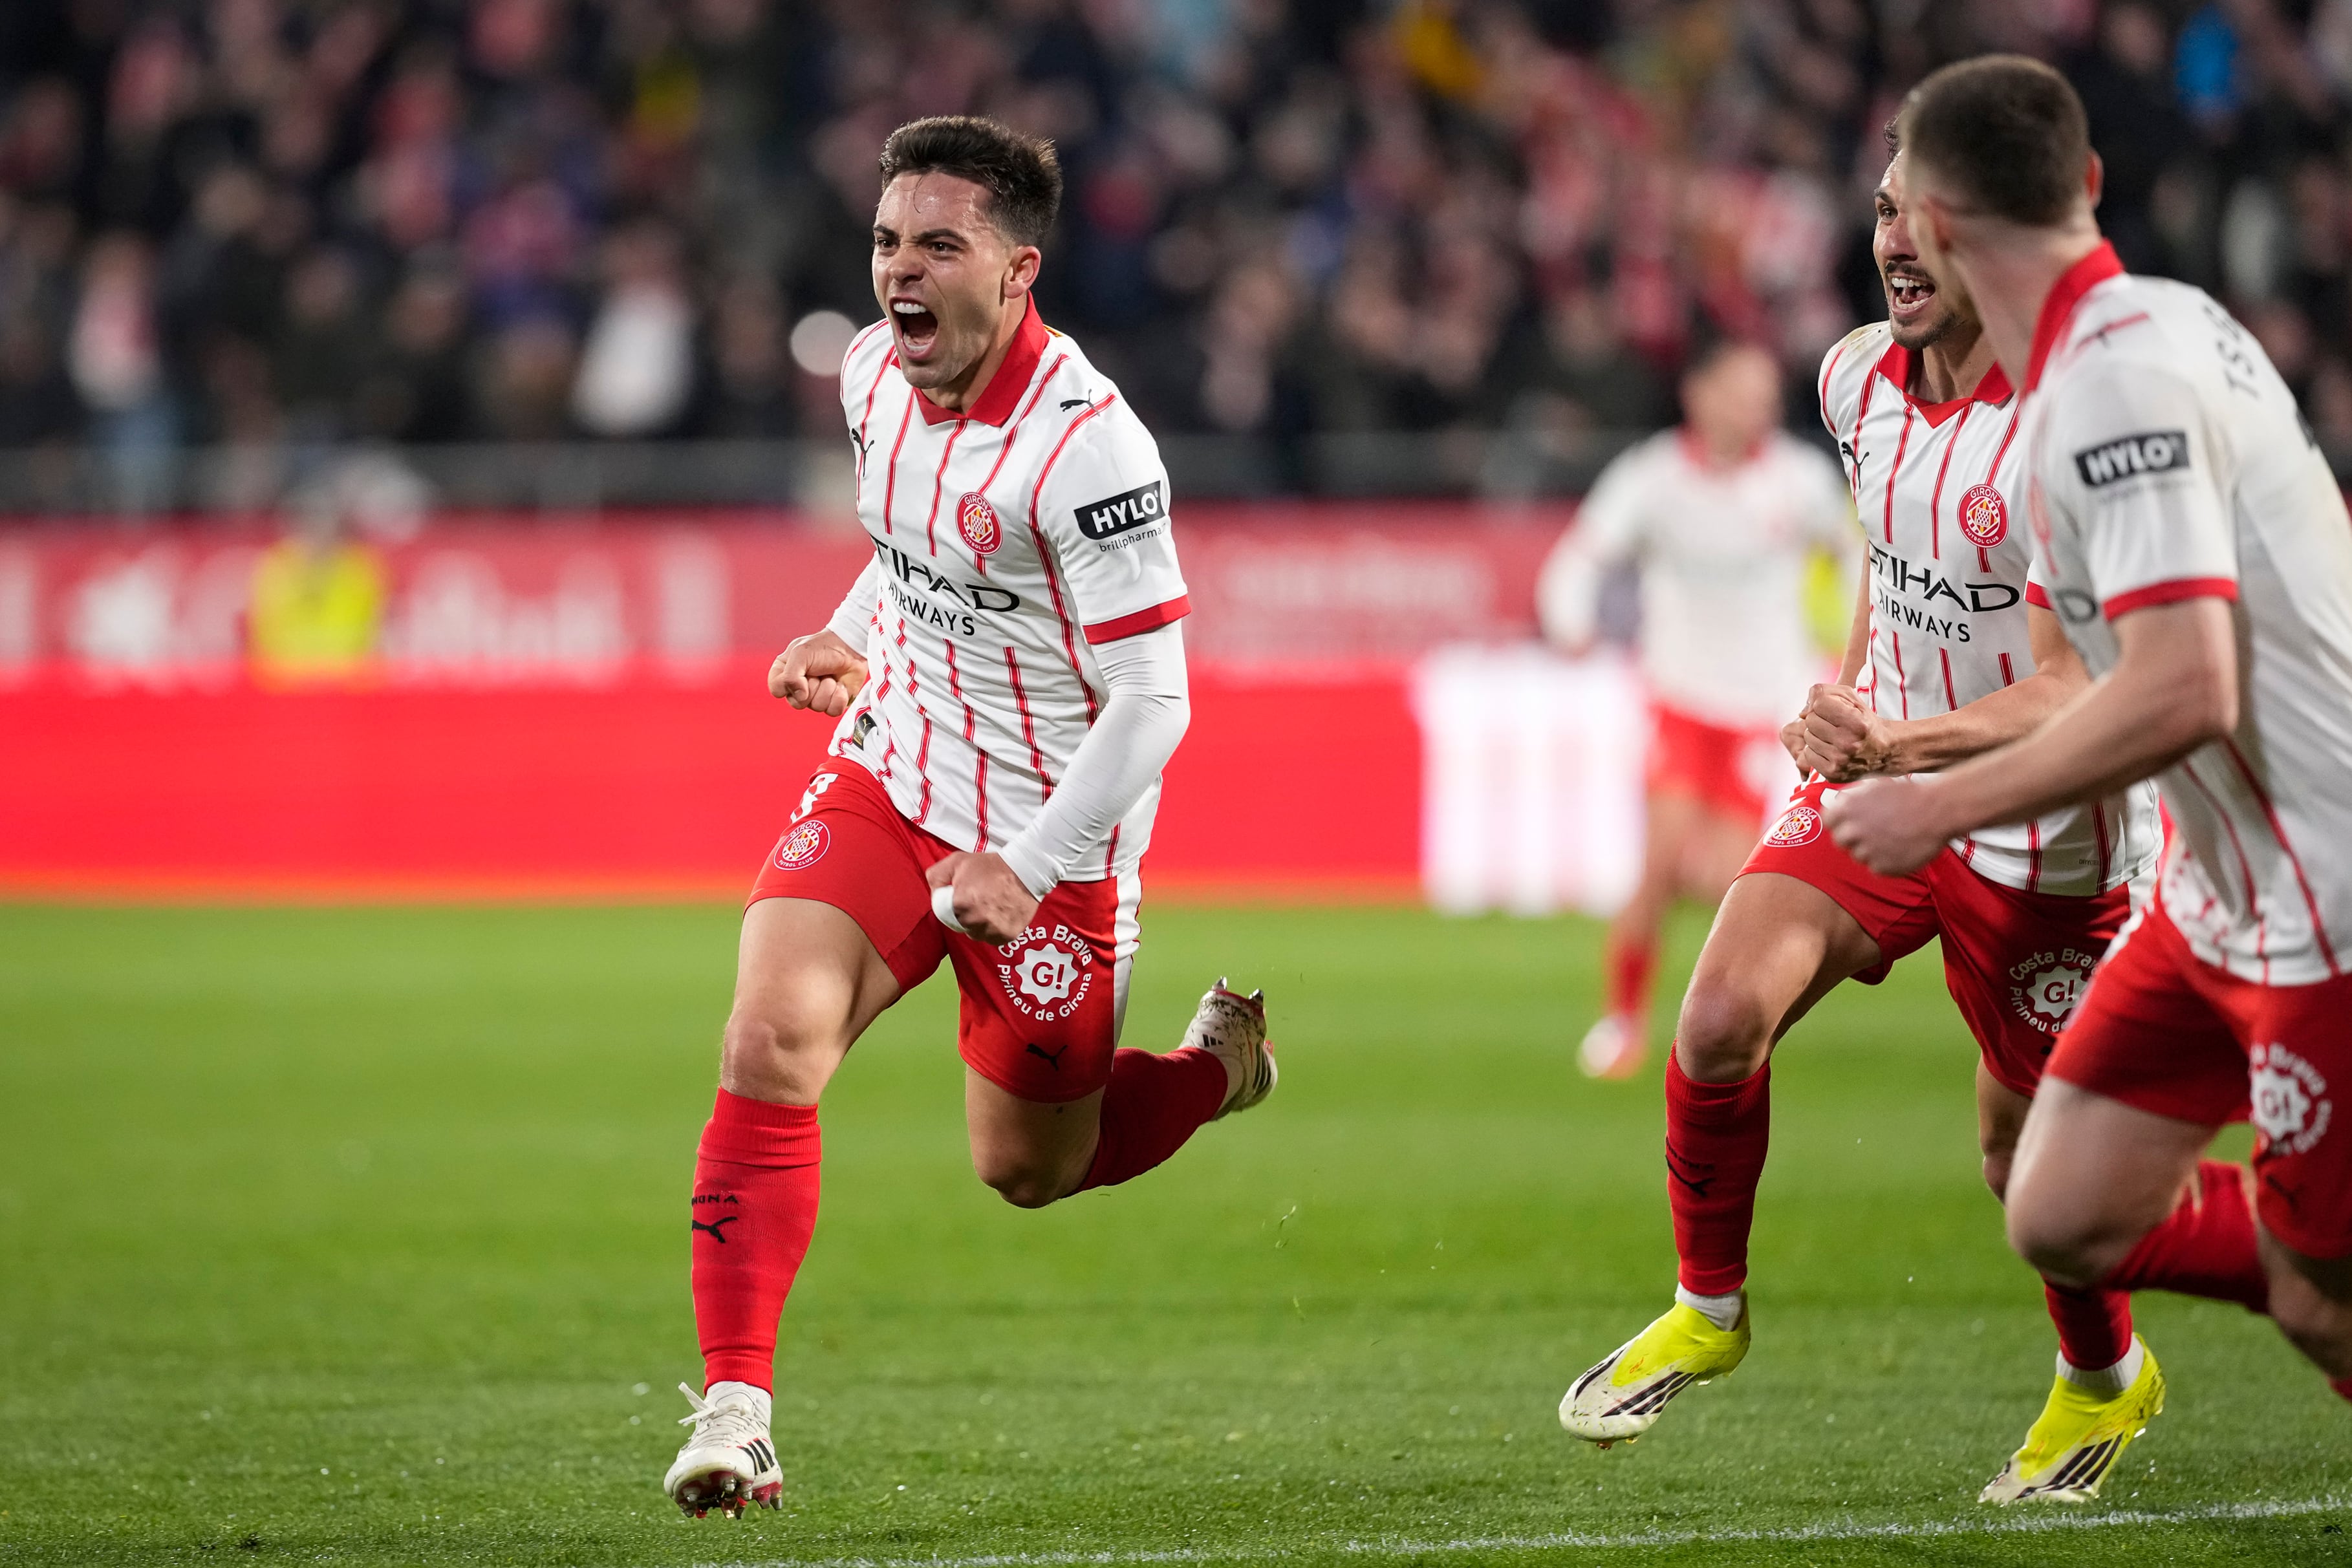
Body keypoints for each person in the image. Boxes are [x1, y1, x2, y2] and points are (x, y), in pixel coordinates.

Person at [1560, 124, 2275, 1507]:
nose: (1894, 240)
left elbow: (2086, 683)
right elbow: (1898, 570)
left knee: (2032, 1176)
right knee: (1715, 1020)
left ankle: (2101, 1376)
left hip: (2048, 845)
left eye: (1930, 219)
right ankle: (1709, 1307)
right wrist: (1844, 707)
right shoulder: (1847, 382)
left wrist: (1904, 740)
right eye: (1886, 209)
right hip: (1879, 785)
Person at [662, 116, 1278, 1518]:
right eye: (888, 241)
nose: (900, 272)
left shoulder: (1090, 449)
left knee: (1028, 1170)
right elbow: (909, 553)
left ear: (1016, 270)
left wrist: (1037, 860)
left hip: (1053, 837)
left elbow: (1155, 702)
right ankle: (737, 1409)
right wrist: (844, 631)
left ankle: (1208, 1073)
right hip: (896, 768)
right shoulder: (874, 375)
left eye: (940, 244)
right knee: (768, 1037)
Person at [1829, 54, 2352, 1495]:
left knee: (2316, 1297)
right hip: (2212, 885)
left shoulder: (2109, 392)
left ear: (1928, 224)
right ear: (2090, 190)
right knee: (2056, 1203)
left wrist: (1928, 799)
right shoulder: (2156, 328)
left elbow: (2185, 686)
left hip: (2325, 898)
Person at [1537, 342, 1855, 1079]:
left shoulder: (1798, 481)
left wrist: (1849, 642)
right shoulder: (1652, 478)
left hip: (1759, 708)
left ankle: (1739, 1012)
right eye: (1744, 390)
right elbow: (1581, 555)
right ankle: (1622, 1024)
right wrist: (1570, 622)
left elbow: (1858, 553)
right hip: (1678, 699)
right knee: (1657, 863)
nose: (1759, 407)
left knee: (1724, 880)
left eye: (1766, 392)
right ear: (1700, 394)